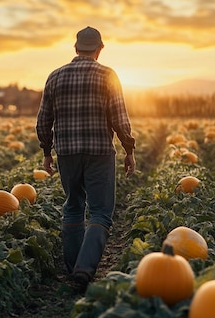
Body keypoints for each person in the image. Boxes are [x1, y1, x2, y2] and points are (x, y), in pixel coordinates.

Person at [36, 26, 136, 290]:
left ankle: (73, 267)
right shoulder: (107, 75)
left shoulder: (54, 77)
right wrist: (129, 150)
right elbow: (119, 119)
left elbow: (43, 120)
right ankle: (84, 268)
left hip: (67, 153)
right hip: (99, 152)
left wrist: (47, 152)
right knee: (101, 212)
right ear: (99, 49)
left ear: (76, 48)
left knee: (72, 205)